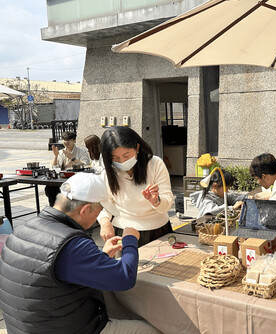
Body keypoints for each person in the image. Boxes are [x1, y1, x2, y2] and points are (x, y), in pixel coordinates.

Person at [0, 173, 161, 334]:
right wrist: (130, 240)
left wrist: (100, 257)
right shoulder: (71, 244)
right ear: (85, 210)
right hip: (68, 328)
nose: (97, 218)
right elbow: (124, 278)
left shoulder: (22, 229)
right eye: (97, 214)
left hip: (22, 327)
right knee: (151, 329)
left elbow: (52, 271)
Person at [98, 126, 174, 246]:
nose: (122, 161)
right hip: (123, 231)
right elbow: (106, 204)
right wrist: (105, 222)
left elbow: (167, 203)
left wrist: (156, 201)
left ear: (137, 147)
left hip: (157, 230)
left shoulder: (155, 164)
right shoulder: (107, 173)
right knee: (126, 264)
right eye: (115, 158)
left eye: (126, 155)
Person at [45, 131, 91, 206]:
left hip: (75, 180)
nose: (66, 142)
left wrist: (73, 158)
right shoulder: (60, 152)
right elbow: (53, 167)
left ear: (74, 140)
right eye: (64, 140)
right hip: (61, 180)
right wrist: (56, 156)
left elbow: (85, 165)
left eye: (68, 140)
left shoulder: (82, 151)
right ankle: (54, 209)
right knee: (49, 188)